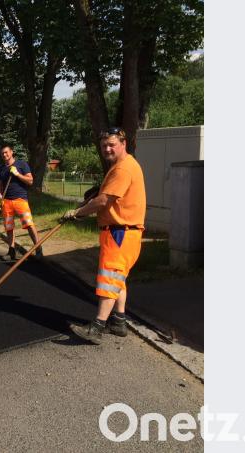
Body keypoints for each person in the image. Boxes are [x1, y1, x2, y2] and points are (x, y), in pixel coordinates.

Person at [62, 127, 146, 345]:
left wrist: (77, 213)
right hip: (121, 233)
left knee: (109, 280)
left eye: (112, 144)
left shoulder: (123, 169)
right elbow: (104, 195)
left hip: (121, 233)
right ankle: (118, 322)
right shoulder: (121, 166)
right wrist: (94, 196)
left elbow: (103, 201)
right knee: (118, 279)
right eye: (104, 146)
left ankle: (97, 327)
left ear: (123, 143)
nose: (107, 149)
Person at [0, 145, 41, 261]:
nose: (4, 155)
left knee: (29, 224)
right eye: (2, 154)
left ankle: (38, 249)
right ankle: (11, 251)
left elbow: (30, 181)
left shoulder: (21, 164)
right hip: (6, 202)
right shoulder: (1, 168)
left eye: (6, 152)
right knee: (9, 228)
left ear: (11, 152)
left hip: (21, 200)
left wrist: (17, 174)